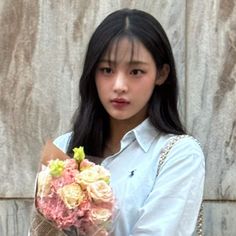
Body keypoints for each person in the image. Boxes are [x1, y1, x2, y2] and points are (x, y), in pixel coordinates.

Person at [53, 8, 205, 236]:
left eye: (135, 71)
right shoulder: (63, 149)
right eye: (107, 70)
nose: (119, 85)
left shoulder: (178, 154)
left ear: (161, 74)